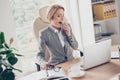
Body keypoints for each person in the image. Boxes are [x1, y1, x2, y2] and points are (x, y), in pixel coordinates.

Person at [37, 4, 78, 70]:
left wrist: (69, 34)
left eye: (63, 15)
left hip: (72, 63)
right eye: (59, 16)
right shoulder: (44, 33)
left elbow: (75, 46)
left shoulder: (67, 27)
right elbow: (39, 55)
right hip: (57, 67)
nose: (62, 18)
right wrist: (43, 63)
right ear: (51, 17)